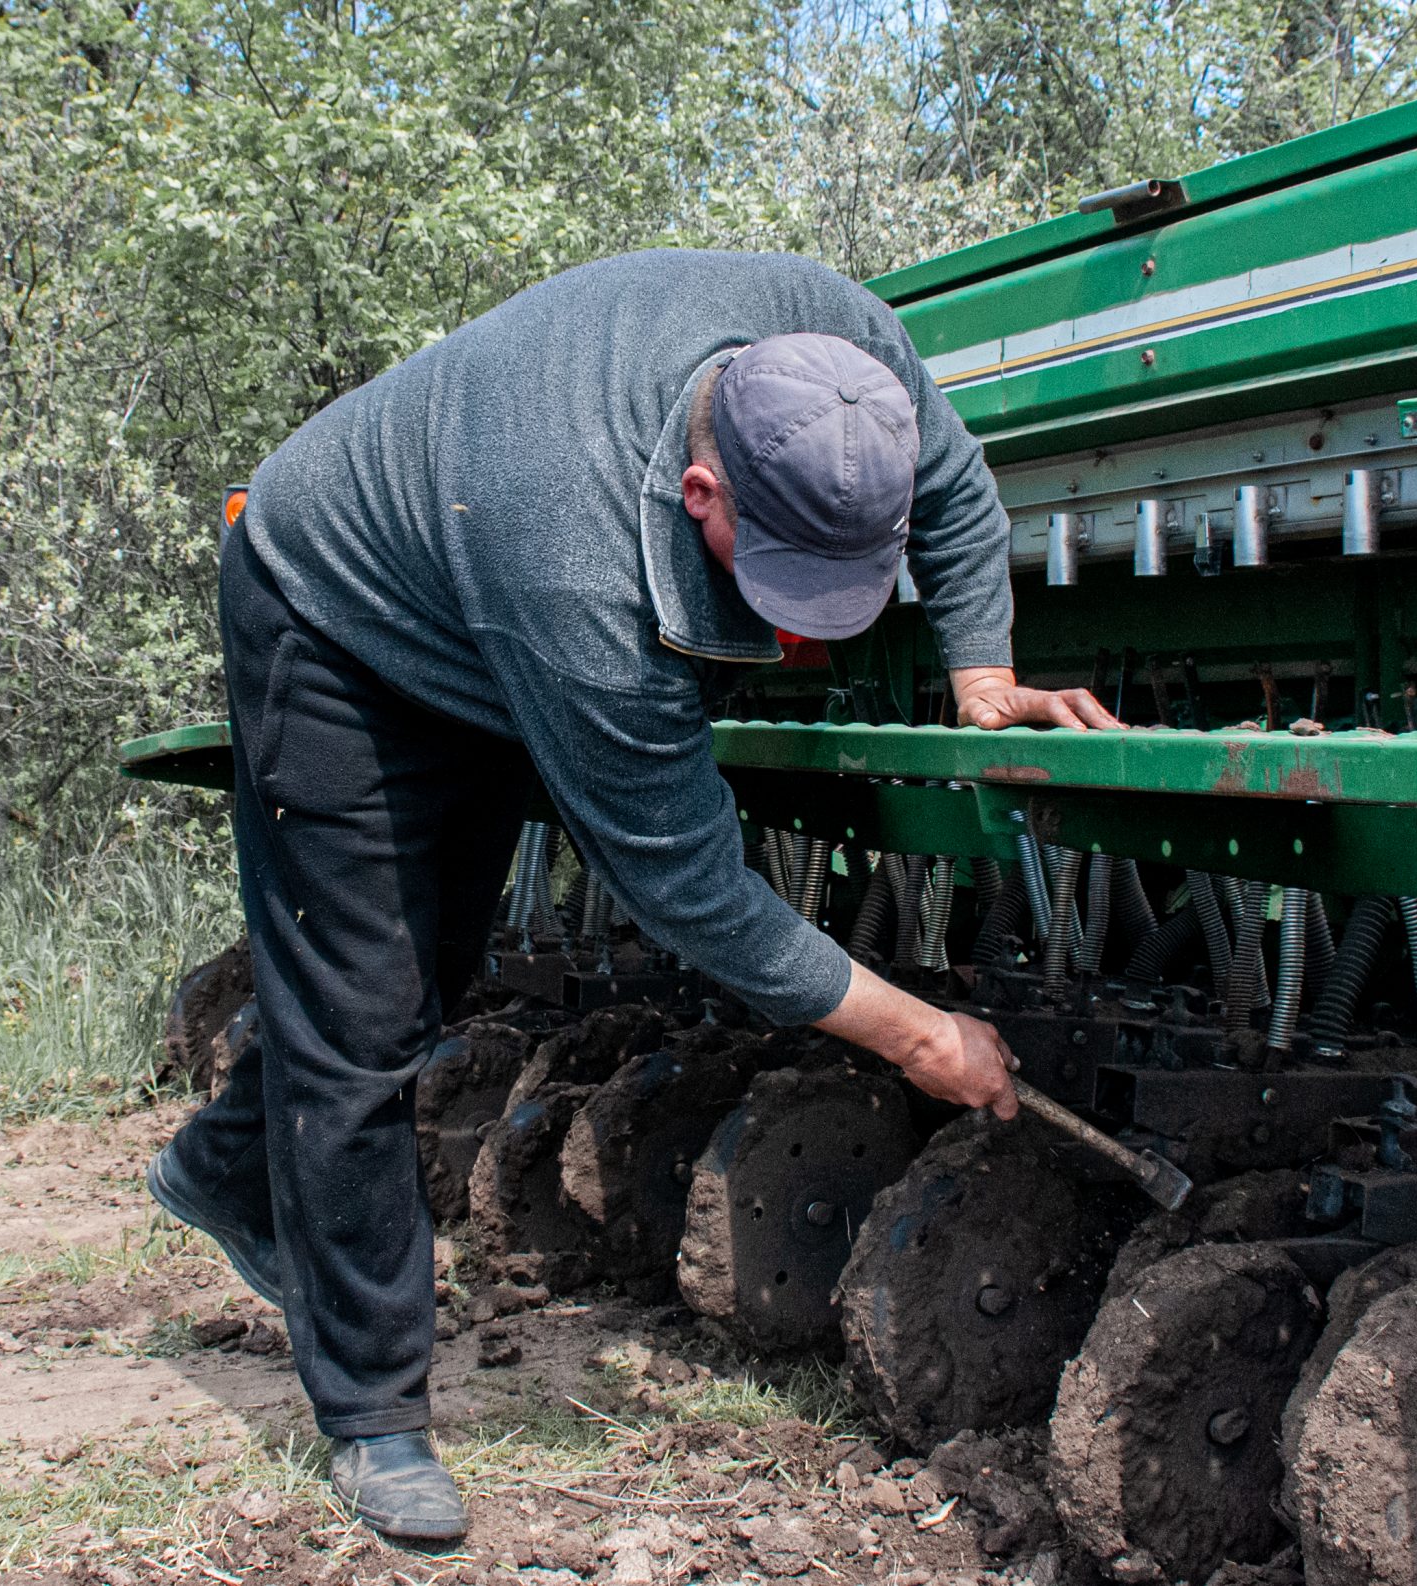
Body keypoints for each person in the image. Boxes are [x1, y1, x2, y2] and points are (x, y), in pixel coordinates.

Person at [144, 250, 1121, 1543]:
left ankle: (221, 1166)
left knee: (429, 975)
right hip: (334, 609)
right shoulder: (578, 568)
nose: (798, 630)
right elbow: (694, 893)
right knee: (361, 1008)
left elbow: (960, 499)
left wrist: (982, 676)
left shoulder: (848, 357)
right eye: (772, 569)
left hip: (470, 594)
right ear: (699, 486)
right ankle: (375, 1411)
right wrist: (921, 1034)